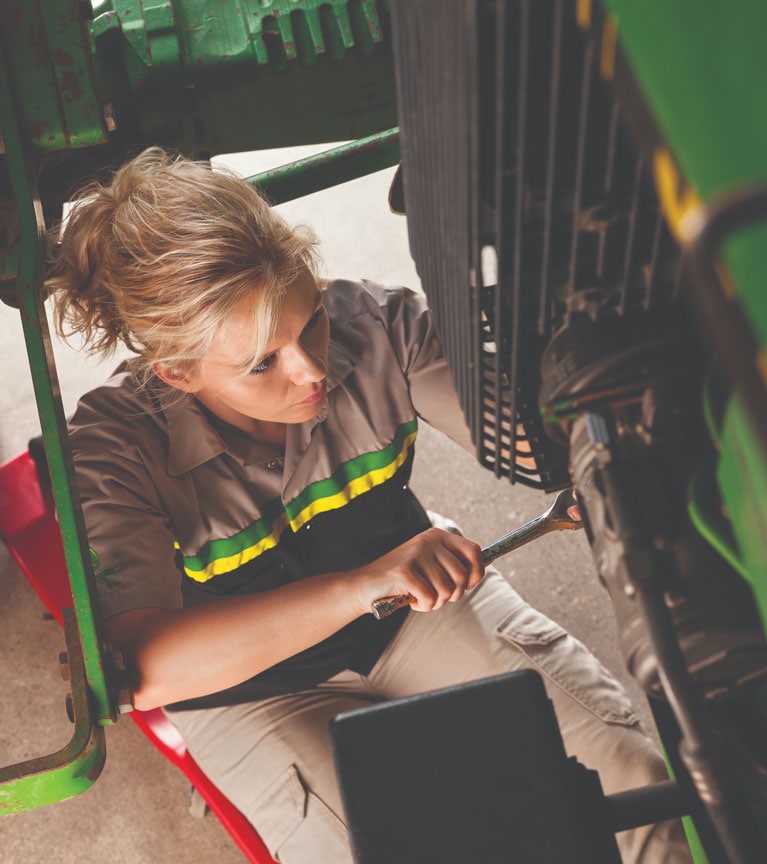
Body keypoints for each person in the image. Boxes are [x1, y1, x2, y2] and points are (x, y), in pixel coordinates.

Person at [49, 148, 689, 863]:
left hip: (415, 609)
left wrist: (586, 451)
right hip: (254, 689)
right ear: (174, 369)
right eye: (263, 362)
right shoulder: (111, 452)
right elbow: (143, 666)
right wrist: (362, 584)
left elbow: (522, 441)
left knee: (641, 789)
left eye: (311, 320)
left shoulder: (376, 327)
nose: (314, 369)